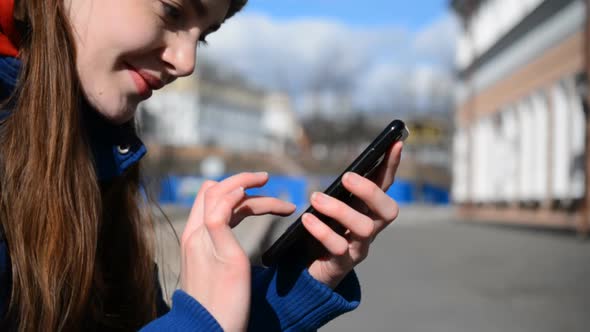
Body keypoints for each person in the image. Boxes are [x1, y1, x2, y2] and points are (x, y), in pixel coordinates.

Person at [0, 0, 404, 330]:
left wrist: (302, 282)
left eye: (204, 37)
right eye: (172, 11)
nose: (186, 61)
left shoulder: (93, 149)